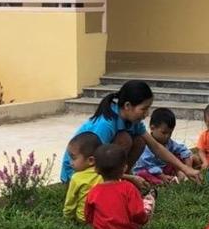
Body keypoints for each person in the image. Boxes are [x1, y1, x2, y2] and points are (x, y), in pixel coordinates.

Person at [60, 80, 200, 186]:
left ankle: (120, 180)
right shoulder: (106, 125)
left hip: (97, 168)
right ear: (127, 106)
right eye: (144, 109)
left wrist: (185, 169)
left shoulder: (132, 121)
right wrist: (132, 178)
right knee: (124, 138)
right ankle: (117, 181)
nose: (147, 114)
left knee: (139, 140)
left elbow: (156, 147)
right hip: (78, 174)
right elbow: (94, 162)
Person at [84, 143, 155, 229]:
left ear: (96, 170)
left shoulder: (93, 191)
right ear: (124, 168)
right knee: (148, 201)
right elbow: (137, 213)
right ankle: (150, 198)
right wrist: (144, 220)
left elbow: (88, 216)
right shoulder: (129, 188)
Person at [132, 107, 200, 185]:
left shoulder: (169, 142)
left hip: (164, 168)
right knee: (142, 173)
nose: (167, 136)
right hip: (151, 170)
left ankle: (179, 174)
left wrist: (189, 167)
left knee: (179, 156)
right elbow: (148, 165)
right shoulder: (145, 146)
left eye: (170, 133)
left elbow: (182, 149)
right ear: (152, 128)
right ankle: (163, 182)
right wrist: (161, 176)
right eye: (164, 133)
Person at [62, 132, 102, 221]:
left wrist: (67, 217)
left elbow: (70, 202)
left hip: (83, 219)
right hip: (103, 218)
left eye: (73, 158)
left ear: (91, 160)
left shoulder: (76, 177)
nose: (70, 162)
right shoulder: (105, 173)